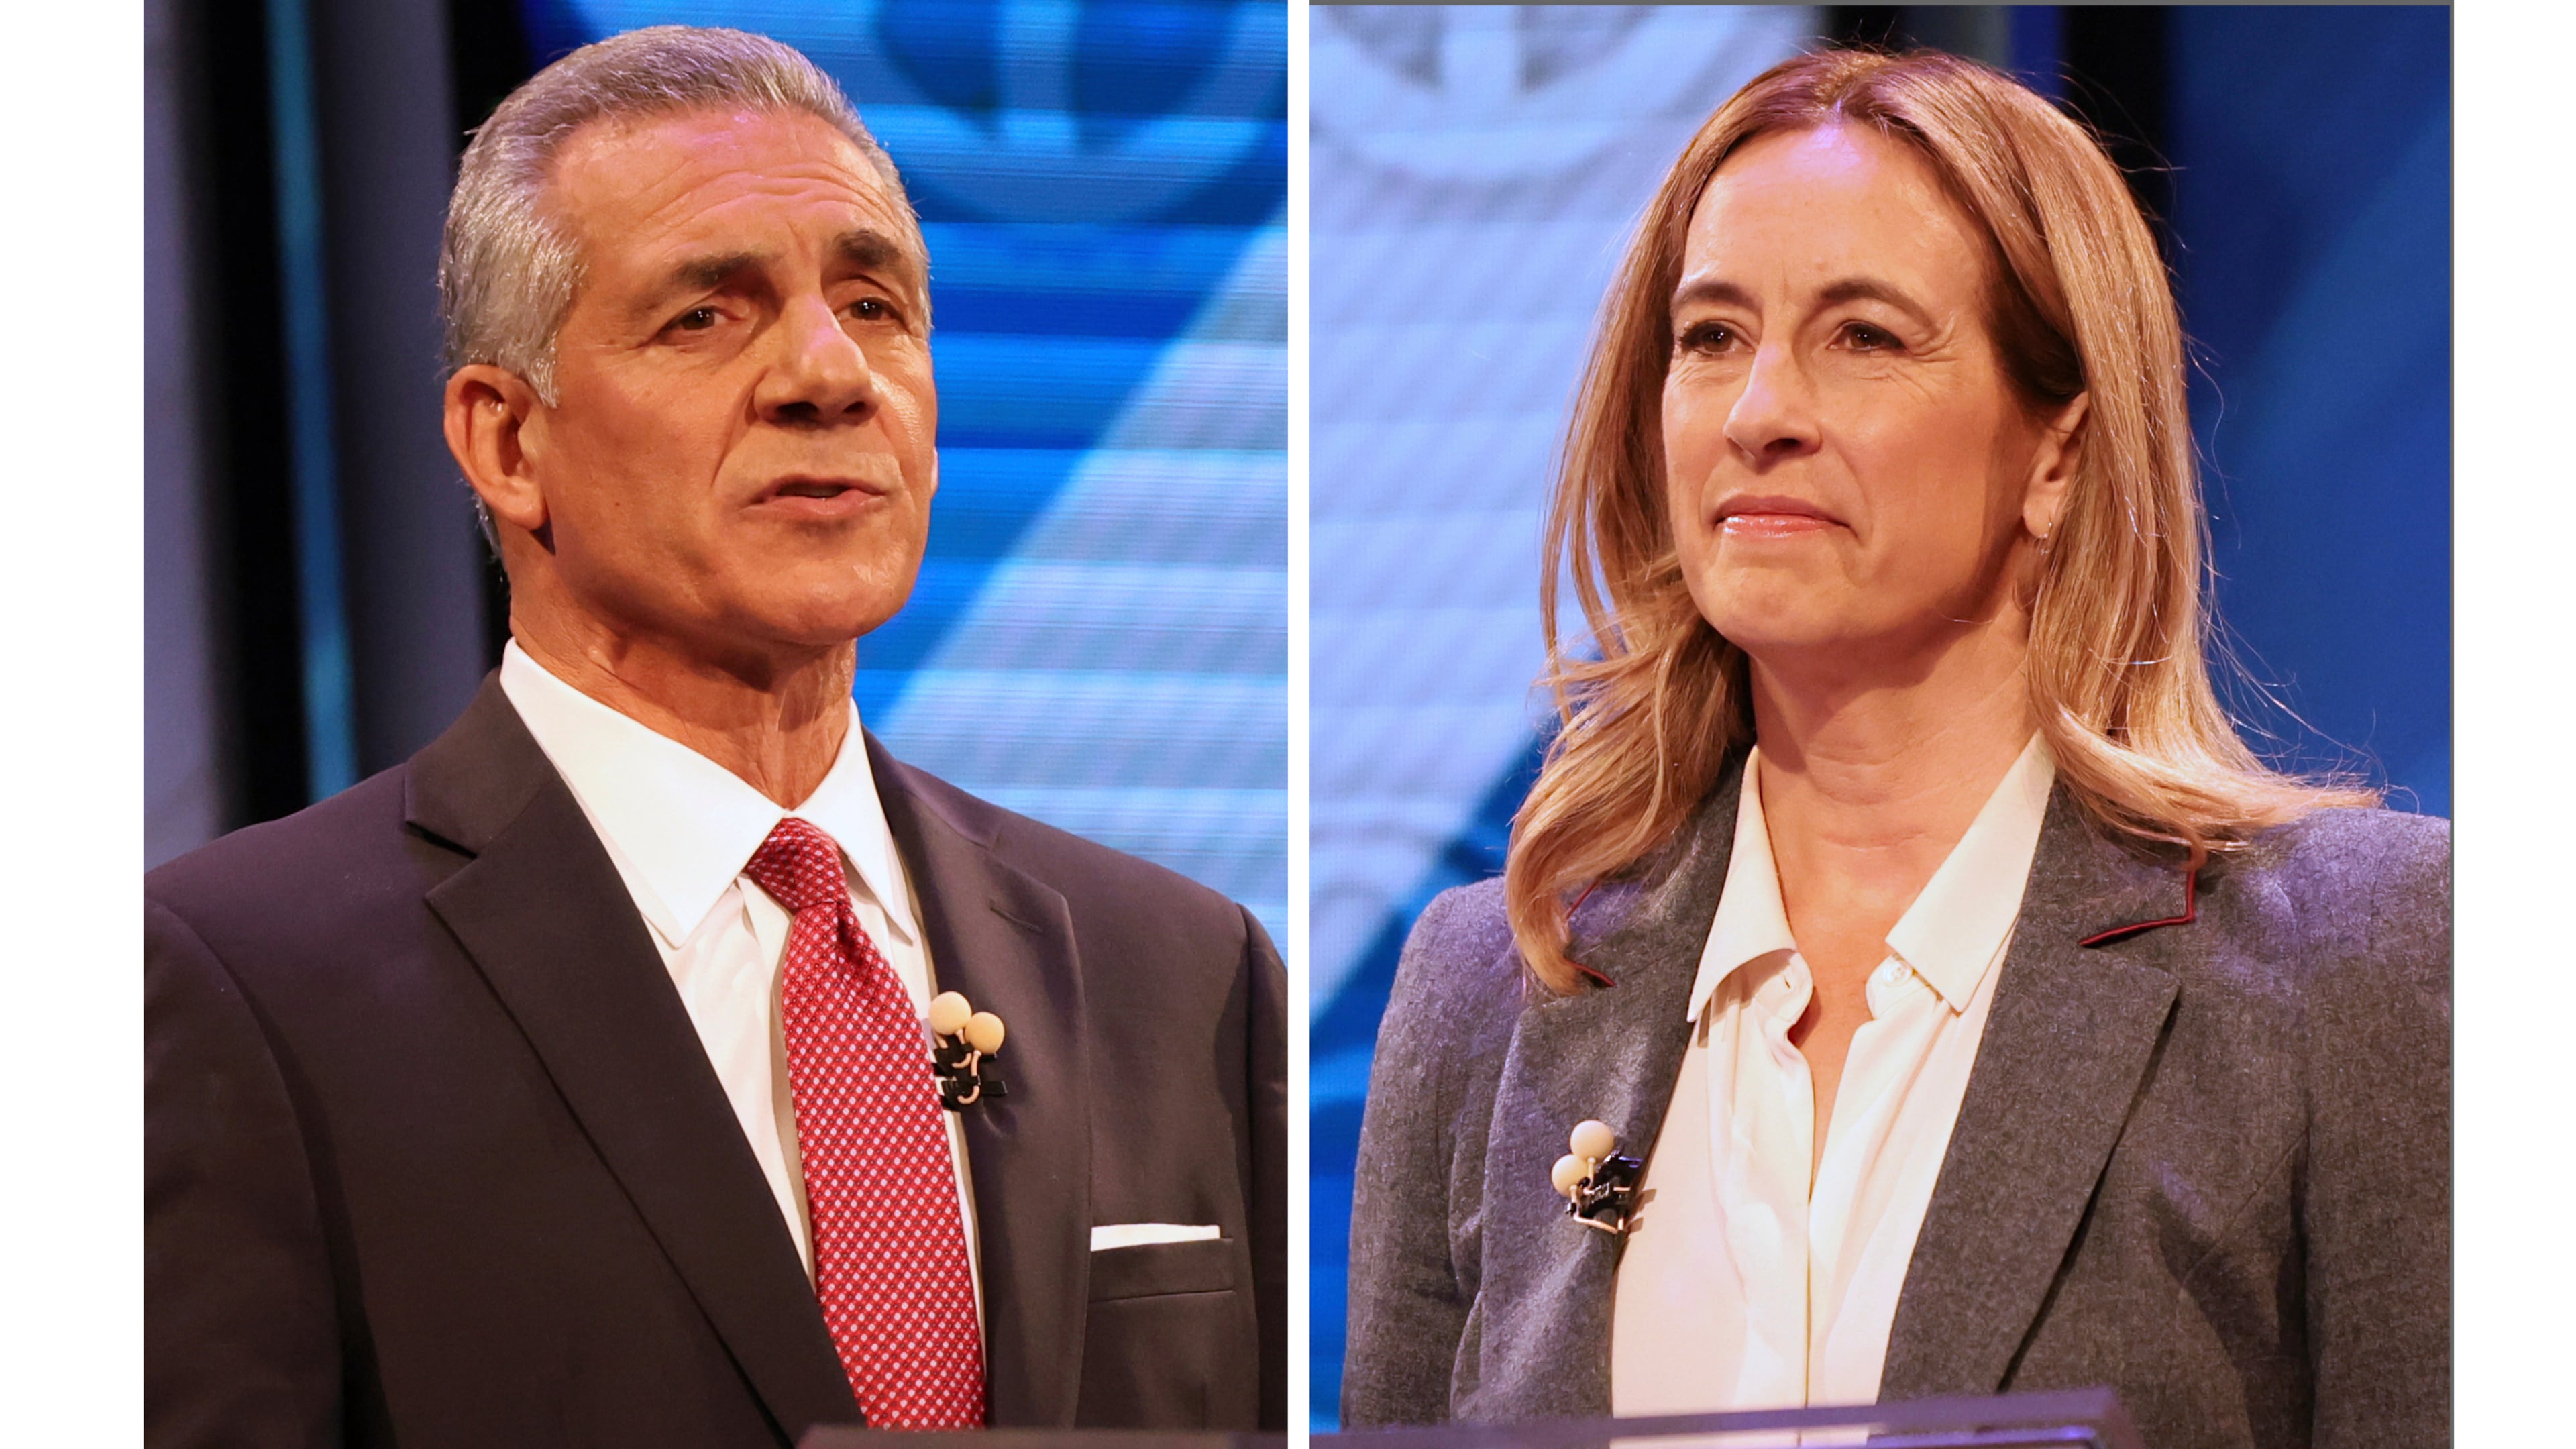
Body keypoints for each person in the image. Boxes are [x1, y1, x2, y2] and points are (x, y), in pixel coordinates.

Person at [145, 26, 1284, 1447]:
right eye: (706, 316)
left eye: (875, 306)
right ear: (507, 444)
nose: (828, 374)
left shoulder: (1179, 974)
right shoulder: (232, 984)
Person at [1340, 48, 2446, 1449]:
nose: (1760, 415)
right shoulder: (1487, 987)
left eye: (1863, 336)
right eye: (1711, 338)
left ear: (2057, 451)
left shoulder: (2357, 962)